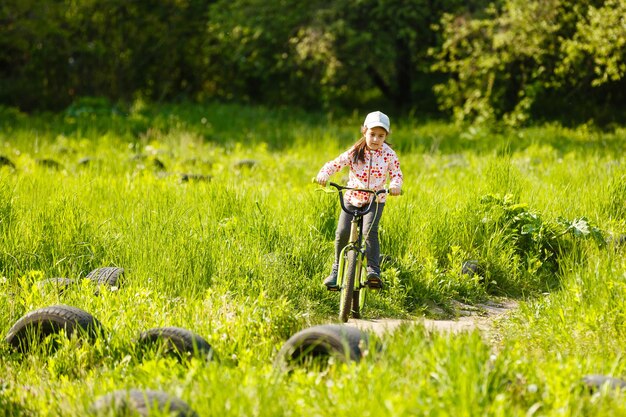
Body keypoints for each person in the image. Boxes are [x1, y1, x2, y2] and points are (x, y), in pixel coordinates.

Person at [315, 111, 403, 290]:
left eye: (381, 135)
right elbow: (336, 163)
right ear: (364, 131)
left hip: (375, 199)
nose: (376, 139)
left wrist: (395, 185)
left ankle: (373, 271)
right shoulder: (356, 151)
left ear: (386, 136)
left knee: (369, 231)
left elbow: (396, 173)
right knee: (342, 232)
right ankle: (336, 270)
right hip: (352, 197)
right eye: (372, 134)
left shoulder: (388, 154)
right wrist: (324, 174)